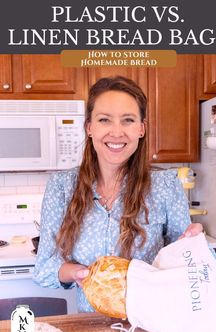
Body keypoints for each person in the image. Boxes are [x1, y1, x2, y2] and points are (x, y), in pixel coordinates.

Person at [33, 76, 202, 312]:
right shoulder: (62, 187)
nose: (116, 132)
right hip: (91, 326)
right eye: (104, 120)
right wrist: (81, 273)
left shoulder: (165, 185)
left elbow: (193, 267)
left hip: (152, 321)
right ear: (89, 128)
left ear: (141, 129)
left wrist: (194, 246)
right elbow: (44, 268)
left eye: (128, 120)